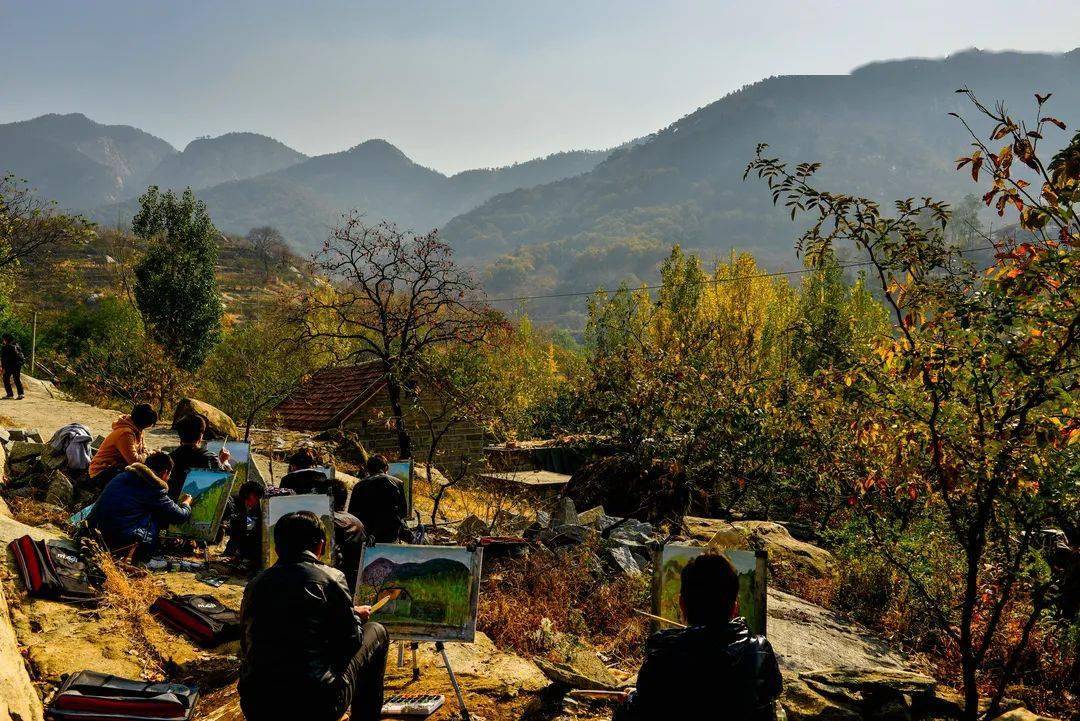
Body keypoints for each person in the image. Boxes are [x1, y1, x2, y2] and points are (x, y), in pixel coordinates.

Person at [239, 511, 390, 721]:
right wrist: (354, 617)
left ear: (276, 547)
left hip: (257, 705)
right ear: (320, 545)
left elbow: (249, 643)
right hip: (316, 705)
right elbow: (352, 642)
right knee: (377, 631)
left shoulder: (255, 584)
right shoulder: (331, 577)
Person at [614, 553, 782, 721]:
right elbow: (771, 696)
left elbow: (640, 712)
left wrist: (629, 701)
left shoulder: (663, 653)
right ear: (735, 607)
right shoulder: (759, 650)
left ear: (682, 604)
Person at [87, 452, 191, 560]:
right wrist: (186, 503)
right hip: (115, 540)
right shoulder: (153, 487)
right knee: (156, 515)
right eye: (169, 475)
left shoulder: (123, 476)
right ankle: (144, 557)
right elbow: (179, 516)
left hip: (93, 531)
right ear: (165, 472)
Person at [87, 403, 157, 492]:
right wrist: (148, 453)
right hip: (101, 472)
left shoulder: (137, 430)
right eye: (146, 426)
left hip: (116, 467)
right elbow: (135, 461)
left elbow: (143, 450)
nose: (144, 429)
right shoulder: (125, 433)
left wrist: (146, 453)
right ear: (142, 422)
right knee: (138, 477)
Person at [347, 454, 408, 544]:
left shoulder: (359, 486)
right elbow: (403, 512)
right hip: (390, 535)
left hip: (366, 536)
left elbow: (352, 514)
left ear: (367, 469)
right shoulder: (397, 482)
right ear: (386, 468)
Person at [168, 414, 231, 499]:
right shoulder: (209, 458)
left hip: (173, 506)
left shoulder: (169, 458)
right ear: (201, 435)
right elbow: (224, 484)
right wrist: (224, 462)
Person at [1, 333, 25, 400]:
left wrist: (3, 368)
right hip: (17, 365)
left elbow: (3, 359)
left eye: (3, 339)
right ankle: (21, 394)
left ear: (5, 339)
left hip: (9, 366)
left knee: (6, 378)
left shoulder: (5, 347)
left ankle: (9, 394)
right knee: (17, 379)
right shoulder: (16, 345)